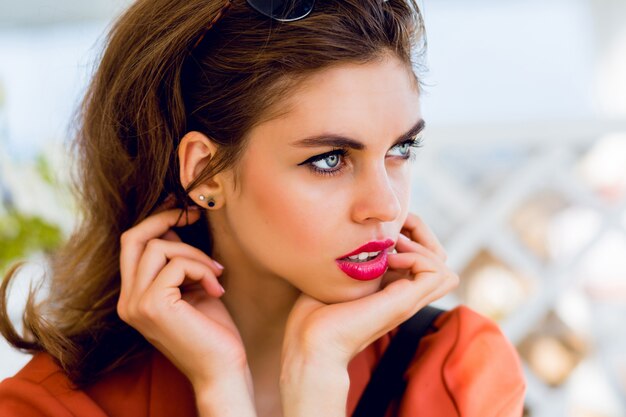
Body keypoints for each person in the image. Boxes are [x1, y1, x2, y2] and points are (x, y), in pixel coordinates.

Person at [0, 0, 526, 416]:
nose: (383, 206)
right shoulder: (52, 407)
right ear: (205, 171)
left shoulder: (454, 372)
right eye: (329, 159)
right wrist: (222, 389)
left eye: (399, 150)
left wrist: (316, 379)